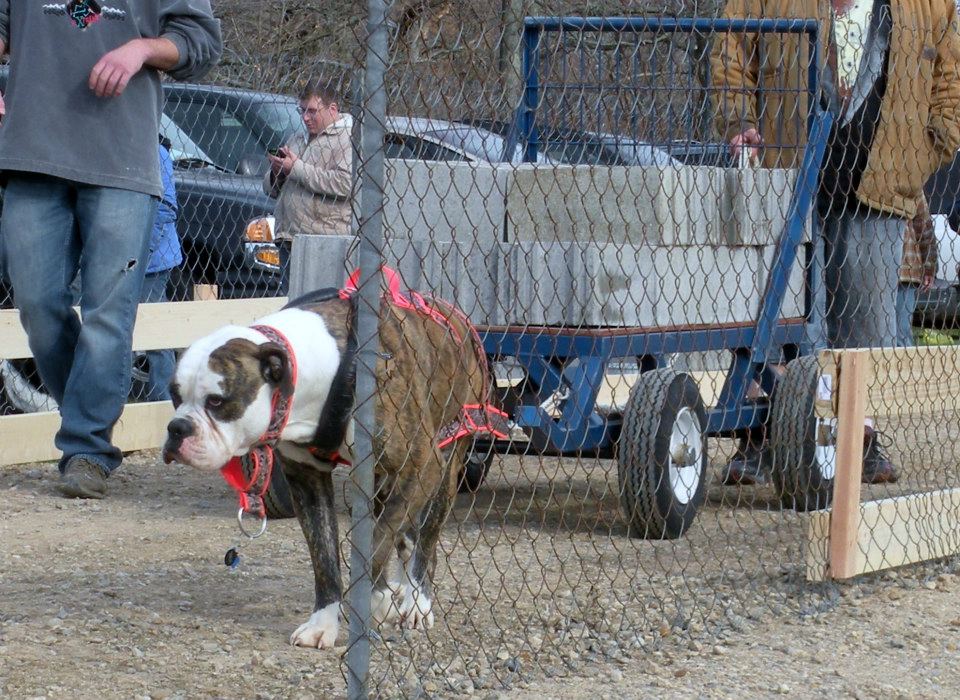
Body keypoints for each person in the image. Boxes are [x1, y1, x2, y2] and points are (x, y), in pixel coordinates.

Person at [712, 0, 960, 485]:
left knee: (864, 328)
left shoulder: (931, 4)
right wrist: (740, 123)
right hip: (787, 184)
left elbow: (951, 84)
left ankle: (857, 441)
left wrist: (926, 148)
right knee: (787, 322)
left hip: (880, 185)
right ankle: (769, 438)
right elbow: (731, 48)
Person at [0, 1, 222, 499]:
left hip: (121, 164)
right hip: (31, 153)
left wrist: (142, 48)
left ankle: (86, 448)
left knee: (107, 317)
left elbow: (201, 41)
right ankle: (88, 411)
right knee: (36, 306)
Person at [263, 79, 353, 295]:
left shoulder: (348, 140)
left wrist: (296, 168)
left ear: (332, 109)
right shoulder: (297, 138)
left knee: (319, 305)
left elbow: (345, 184)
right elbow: (270, 190)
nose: (305, 117)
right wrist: (277, 172)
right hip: (289, 239)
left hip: (324, 243)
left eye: (312, 111)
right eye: (302, 110)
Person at [136, 137, 183, 402]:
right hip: (123, 256)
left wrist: (141, 252)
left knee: (155, 333)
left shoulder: (157, 152)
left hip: (153, 262)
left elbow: (166, 208)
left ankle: (163, 403)